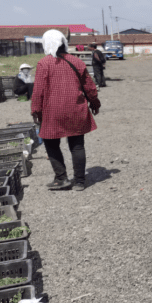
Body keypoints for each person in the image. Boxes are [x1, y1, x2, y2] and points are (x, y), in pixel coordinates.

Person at [31, 29, 101, 191]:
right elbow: (90, 87)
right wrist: (95, 103)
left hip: (52, 112)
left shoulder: (44, 63)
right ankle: (79, 182)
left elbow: (38, 91)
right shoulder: (77, 62)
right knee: (77, 145)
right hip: (76, 109)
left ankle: (61, 178)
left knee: (51, 143)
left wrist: (35, 110)